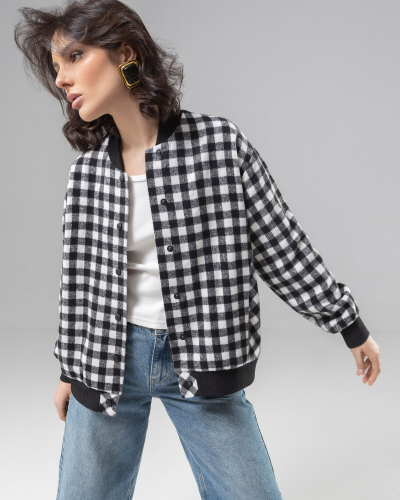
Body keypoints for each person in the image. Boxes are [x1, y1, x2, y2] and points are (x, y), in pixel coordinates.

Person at [14, 0, 381, 499]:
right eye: (56, 67)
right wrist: (69, 371)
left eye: (75, 56)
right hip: (106, 362)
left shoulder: (220, 146)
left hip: (202, 357)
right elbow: (78, 287)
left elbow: (281, 245)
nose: (61, 79)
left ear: (125, 54)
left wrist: (348, 323)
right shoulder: (87, 175)